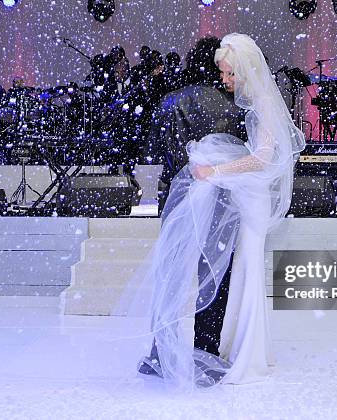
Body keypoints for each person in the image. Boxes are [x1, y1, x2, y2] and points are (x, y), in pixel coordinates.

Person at [118, 33, 305, 388]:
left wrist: (212, 171)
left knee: (220, 273)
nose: (225, 80)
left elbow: (262, 156)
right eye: (222, 73)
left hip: (229, 194)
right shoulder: (241, 102)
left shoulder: (252, 100)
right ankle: (223, 349)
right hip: (235, 195)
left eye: (229, 73)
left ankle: (212, 352)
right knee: (230, 276)